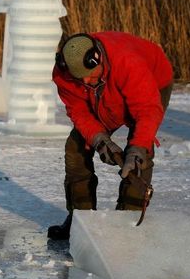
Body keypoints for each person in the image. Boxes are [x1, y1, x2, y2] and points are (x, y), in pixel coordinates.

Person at [47, 32, 174, 240]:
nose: (86, 80)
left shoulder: (128, 62)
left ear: (96, 58)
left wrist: (136, 149)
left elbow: (147, 110)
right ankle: (81, 218)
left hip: (152, 82)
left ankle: (128, 222)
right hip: (104, 92)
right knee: (76, 147)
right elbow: (79, 111)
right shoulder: (64, 75)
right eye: (80, 77)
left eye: (90, 73)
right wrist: (99, 140)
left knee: (141, 151)